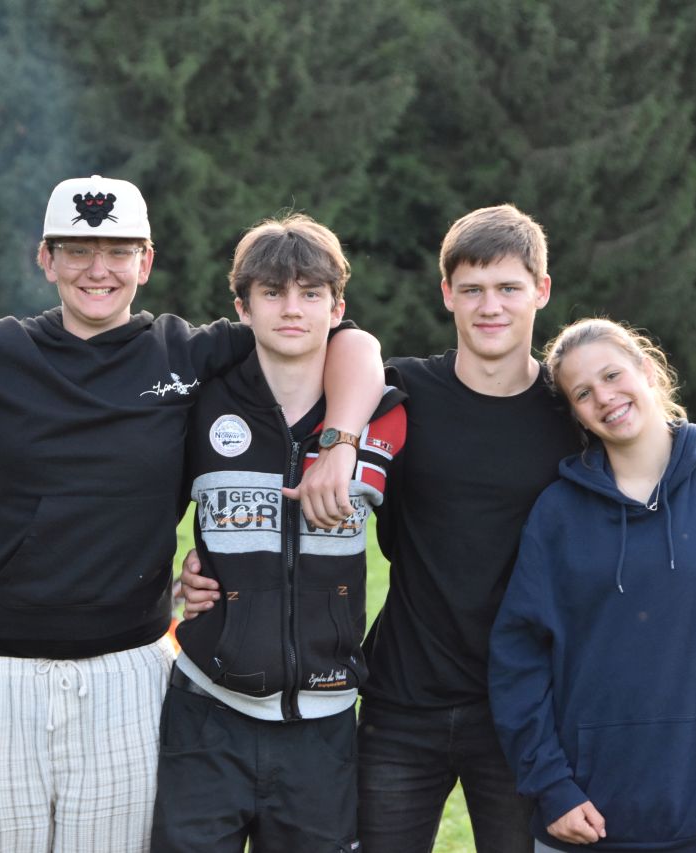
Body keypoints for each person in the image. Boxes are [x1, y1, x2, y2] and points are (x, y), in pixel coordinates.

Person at [0, 176, 384, 852]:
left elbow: (353, 343)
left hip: (126, 671)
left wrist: (339, 443)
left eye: (118, 251)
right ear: (46, 259)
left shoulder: (186, 352)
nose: (97, 269)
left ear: (146, 261)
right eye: (77, 251)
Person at [182, 204, 582, 851]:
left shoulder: (571, 416)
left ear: (542, 290)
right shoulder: (405, 393)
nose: (490, 306)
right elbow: (353, 344)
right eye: (472, 289)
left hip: (525, 704)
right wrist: (340, 443)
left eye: (509, 288)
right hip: (403, 700)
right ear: (446, 293)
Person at [489, 318, 696, 853]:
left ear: (648, 370)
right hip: (582, 819)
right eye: (583, 393)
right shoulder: (557, 512)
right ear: (576, 413)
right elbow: (518, 661)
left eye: (612, 375)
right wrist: (551, 787)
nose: (604, 397)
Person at [150, 214, 407, 852]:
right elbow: (137, 512)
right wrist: (176, 578)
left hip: (324, 727)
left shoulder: (384, 416)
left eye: (310, 293)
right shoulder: (200, 404)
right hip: (207, 711)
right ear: (242, 307)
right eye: (272, 292)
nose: (292, 309)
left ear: (337, 308)